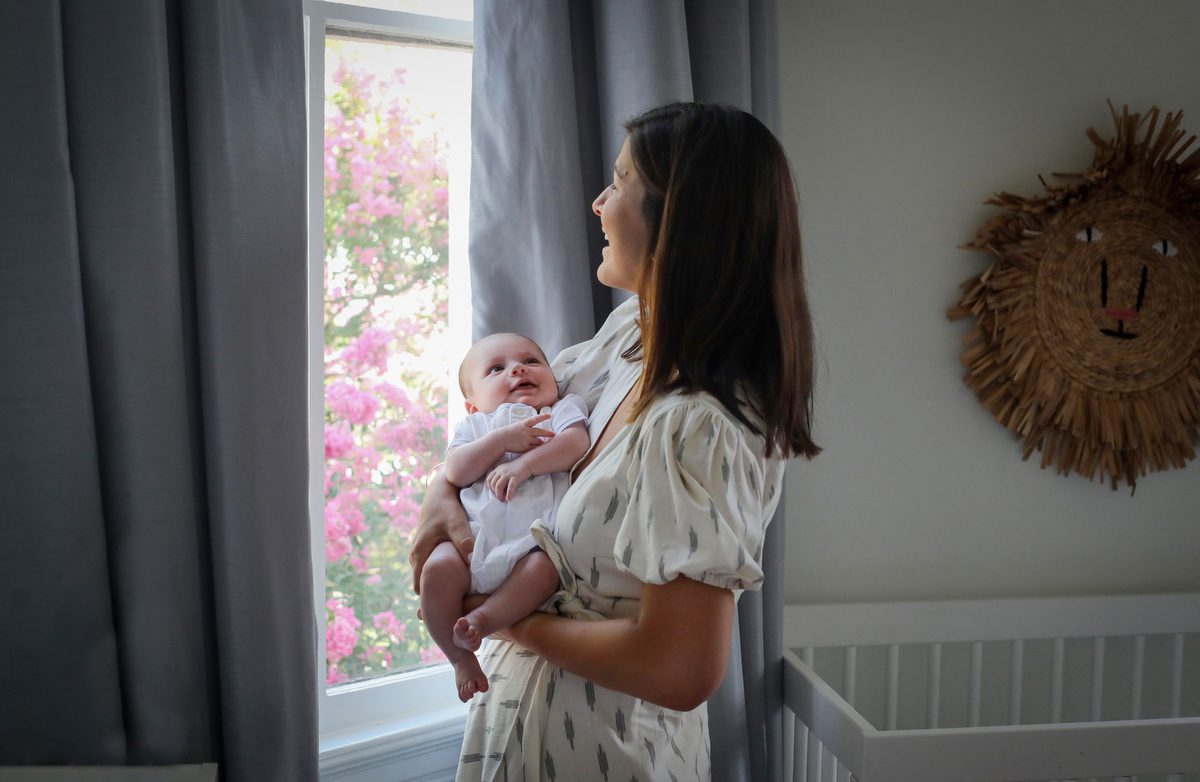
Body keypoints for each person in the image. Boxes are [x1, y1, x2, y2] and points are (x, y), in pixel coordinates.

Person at [411, 101, 819, 781]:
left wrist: (505, 623)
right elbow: (506, 430)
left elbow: (678, 668)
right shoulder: (624, 342)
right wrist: (439, 493)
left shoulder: (701, 426)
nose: (599, 204)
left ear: (678, 219)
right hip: (516, 739)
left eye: (621, 183)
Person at [421, 332, 590, 702]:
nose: (517, 369)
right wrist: (500, 441)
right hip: (472, 546)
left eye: (531, 361)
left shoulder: (560, 410)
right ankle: (459, 658)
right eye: (496, 369)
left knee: (546, 569)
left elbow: (575, 444)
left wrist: (526, 465)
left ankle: (482, 620)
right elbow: (457, 471)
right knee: (436, 569)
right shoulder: (476, 428)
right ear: (472, 405)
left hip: (533, 544)